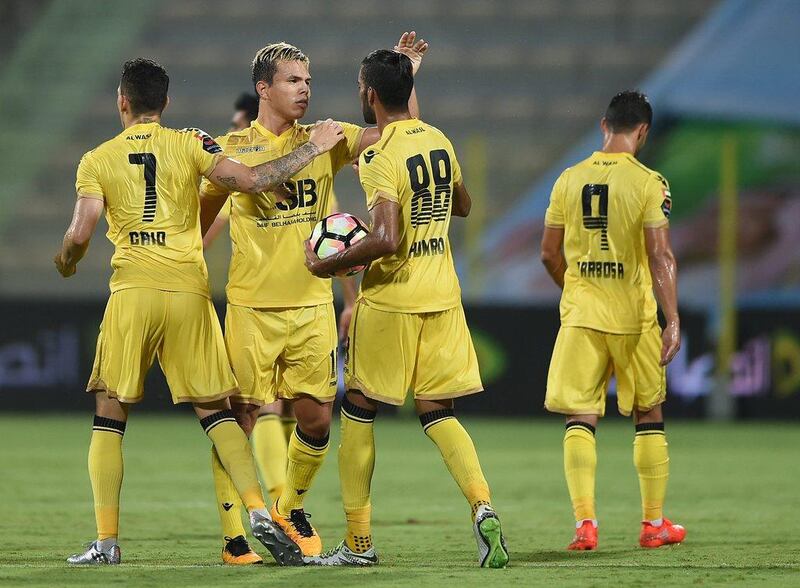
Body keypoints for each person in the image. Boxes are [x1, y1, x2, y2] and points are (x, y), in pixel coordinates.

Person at [56, 58, 344, 566]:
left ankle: (106, 543)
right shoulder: (194, 144)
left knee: (109, 412)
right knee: (216, 411)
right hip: (189, 291)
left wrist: (67, 260)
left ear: (122, 102)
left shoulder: (96, 158)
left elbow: (81, 233)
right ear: (164, 104)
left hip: (133, 292)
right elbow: (253, 180)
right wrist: (314, 147)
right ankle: (258, 510)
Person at [198, 33, 429, 560]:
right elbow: (217, 207)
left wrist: (404, 77)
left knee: (317, 419)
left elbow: (399, 132)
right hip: (252, 307)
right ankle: (236, 538)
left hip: (310, 307)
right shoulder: (233, 149)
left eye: (309, 81)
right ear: (264, 88)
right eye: (293, 81)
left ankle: (289, 507)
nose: (305, 90)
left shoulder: (331, 135)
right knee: (242, 419)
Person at [303, 49, 509, 569]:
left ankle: (357, 544)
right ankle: (483, 507)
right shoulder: (438, 137)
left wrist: (330, 266)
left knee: (359, 411)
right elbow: (462, 205)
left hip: (393, 300)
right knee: (438, 411)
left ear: (369, 95)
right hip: (442, 295)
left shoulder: (379, 156)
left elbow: (388, 238)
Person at [539, 90, 686, 551]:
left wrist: (578, 290)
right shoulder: (649, 182)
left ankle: (585, 525)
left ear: (604, 125)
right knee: (648, 411)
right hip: (633, 316)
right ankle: (653, 524)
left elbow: (548, 253)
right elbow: (660, 255)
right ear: (642, 131)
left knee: (580, 416)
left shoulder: (568, 178)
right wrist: (673, 318)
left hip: (582, 315)